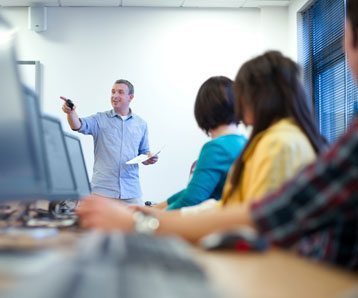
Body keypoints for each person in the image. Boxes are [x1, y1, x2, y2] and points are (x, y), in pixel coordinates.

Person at [77, 0, 358, 270]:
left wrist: (142, 221)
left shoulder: (278, 142)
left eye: (243, 95)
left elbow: (255, 217)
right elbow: (224, 205)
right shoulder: (265, 140)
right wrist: (149, 213)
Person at [153, 76, 247, 210]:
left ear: (202, 109)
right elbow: (193, 190)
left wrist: (150, 218)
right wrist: (156, 208)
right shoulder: (244, 142)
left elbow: (191, 200)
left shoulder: (216, 148)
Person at [62, 79, 158, 205]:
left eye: (120, 92)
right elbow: (78, 125)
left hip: (131, 192)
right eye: (113, 92)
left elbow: (144, 154)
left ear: (130, 97)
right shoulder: (100, 119)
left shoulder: (141, 124)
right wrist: (71, 112)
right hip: (102, 192)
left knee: (139, 223)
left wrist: (149, 158)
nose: (115, 96)